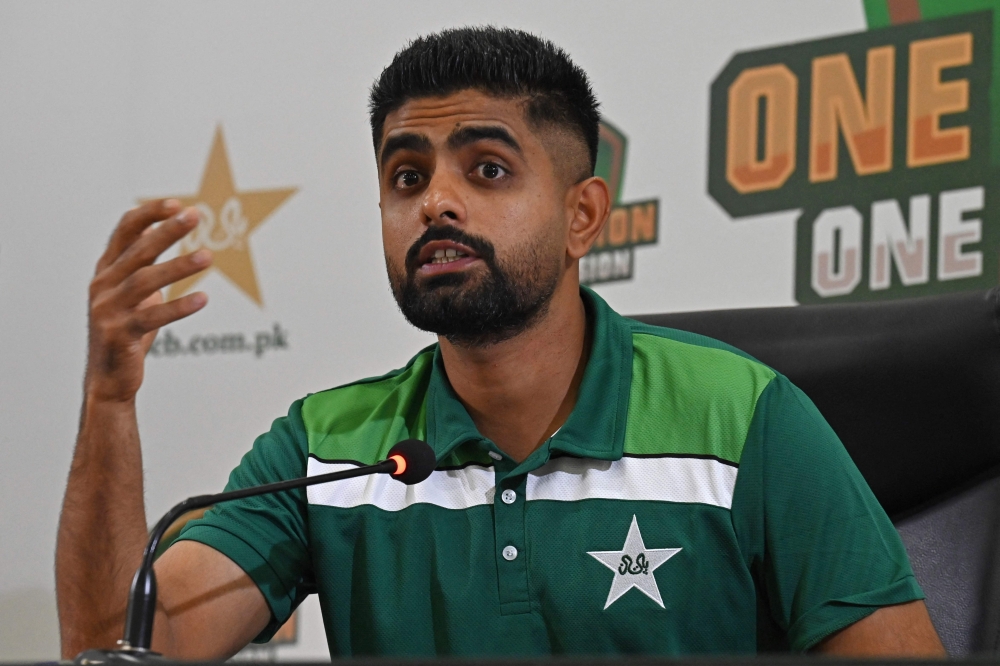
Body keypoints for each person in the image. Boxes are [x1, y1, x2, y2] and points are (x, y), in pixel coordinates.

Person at [56, 27, 945, 659]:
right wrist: (108, 401)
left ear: (583, 216)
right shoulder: (326, 450)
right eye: (407, 176)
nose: (436, 201)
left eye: (486, 169)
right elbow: (120, 648)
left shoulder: (744, 417)